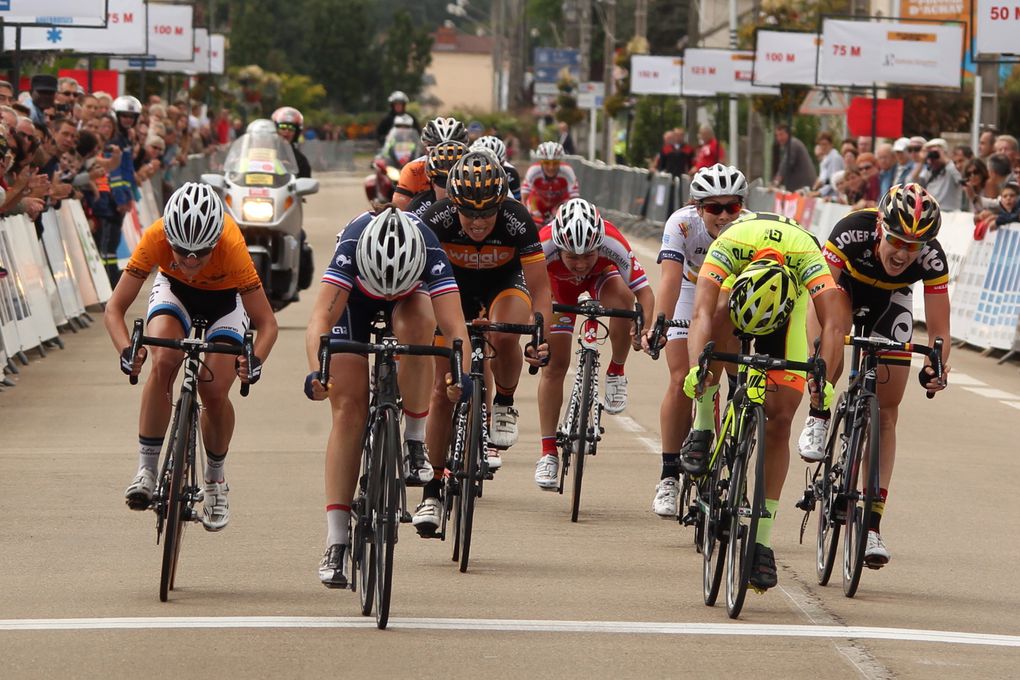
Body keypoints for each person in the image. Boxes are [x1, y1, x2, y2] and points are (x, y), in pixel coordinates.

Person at [303, 207, 469, 587]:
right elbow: (320, 322)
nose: (388, 290)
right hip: (355, 306)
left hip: (413, 301)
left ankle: (413, 438)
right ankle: (337, 541)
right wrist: (318, 372)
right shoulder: (351, 245)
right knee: (348, 409)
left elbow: (456, 328)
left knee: (419, 327)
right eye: (383, 284)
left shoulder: (428, 249)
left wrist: (460, 377)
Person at [681, 211, 847, 591]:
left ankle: (762, 542)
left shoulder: (807, 255)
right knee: (717, 323)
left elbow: (834, 325)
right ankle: (704, 425)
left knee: (781, 420)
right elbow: (701, 312)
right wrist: (699, 371)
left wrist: (822, 382)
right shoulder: (729, 243)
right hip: (735, 294)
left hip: (786, 304)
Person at [105, 183, 279, 531]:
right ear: (169, 237)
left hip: (225, 302)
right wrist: (127, 349)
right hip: (175, 291)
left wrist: (254, 361)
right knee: (164, 360)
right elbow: (114, 309)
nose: (190, 260)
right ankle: (146, 470)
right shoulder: (155, 236)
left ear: (215, 241)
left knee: (213, 390)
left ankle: (215, 480)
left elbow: (267, 325)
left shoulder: (232, 247)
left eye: (200, 252)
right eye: (182, 250)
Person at [797, 184, 950, 566]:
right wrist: (820, 362)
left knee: (887, 411)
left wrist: (936, 365)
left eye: (913, 246)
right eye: (897, 240)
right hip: (842, 290)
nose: (902, 253)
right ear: (881, 228)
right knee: (831, 343)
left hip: (892, 300)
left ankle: (871, 528)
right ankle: (818, 414)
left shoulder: (931, 258)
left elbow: (940, 330)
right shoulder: (851, 231)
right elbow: (820, 305)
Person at [414, 152, 552, 534]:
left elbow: (541, 289)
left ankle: (504, 402)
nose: (477, 223)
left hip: (503, 284)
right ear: (452, 203)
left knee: (506, 330)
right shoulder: (436, 218)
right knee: (444, 392)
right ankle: (433, 488)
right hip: (450, 289)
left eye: (486, 214)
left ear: (500, 205)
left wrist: (540, 336)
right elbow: (418, 285)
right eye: (468, 214)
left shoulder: (516, 219)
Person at [641, 164, 748, 517]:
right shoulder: (682, 224)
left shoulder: (748, 227)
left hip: (733, 290)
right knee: (679, 378)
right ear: (697, 206)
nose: (723, 215)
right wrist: (659, 322)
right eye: (713, 208)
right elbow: (670, 280)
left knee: (741, 375)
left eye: (731, 207)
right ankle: (669, 476)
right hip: (690, 287)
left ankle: (735, 461)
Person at [534, 198, 654, 489]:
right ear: (558, 246)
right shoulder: (542, 246)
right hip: (556, 287)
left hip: (601, 279)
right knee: (555, 365)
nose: (579, 263)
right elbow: (529, 295)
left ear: (599, 243)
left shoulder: (613, 240)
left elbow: (645, 294)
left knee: (623, 300)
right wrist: (536, 339)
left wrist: (646, 329)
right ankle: (548, 453)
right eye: (571, 256)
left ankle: (616, 371)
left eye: (588, 254)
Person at [393, 116, 467, 210]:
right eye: (435, 150)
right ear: (425, 150)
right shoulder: (413, 170)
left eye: (451, 151)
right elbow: (399, 209)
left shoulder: (474, 168)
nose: (444, 157)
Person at [520, 141, 580, 226]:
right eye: (546, 163)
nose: (551, 167)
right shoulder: (533, 171)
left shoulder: (567, 171)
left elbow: (574, 200)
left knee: (563, 219)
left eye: (555, 163)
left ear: (560, 161)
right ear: (541, 162)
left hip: (559, 203)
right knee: (533, 221)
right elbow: (524, 198)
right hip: (538, 202)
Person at [406, 139, 467, 218]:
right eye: (443, 182)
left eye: (457, 183)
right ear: (432, 183)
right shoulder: (418, 207)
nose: (450, 191)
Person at [471, 135, 522, 200]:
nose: (487, 170)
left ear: (502, 162)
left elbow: (516, 201)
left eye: (495, 166)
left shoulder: (511, 173)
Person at [918, 139, 962, 211]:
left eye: (935, 154)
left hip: (951, 215)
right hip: (933, 213)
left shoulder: (951, 168)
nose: (933, 159)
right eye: (930, 154)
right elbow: (917, 183)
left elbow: (960, 179)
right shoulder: (929, 170)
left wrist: (944, 159)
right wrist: (922, 161)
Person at [771, 123, 817, 191]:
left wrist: (776, 182)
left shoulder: (792, 144)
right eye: (777, 135)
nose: (779, 138)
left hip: (803, 186)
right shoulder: (792, 144)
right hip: (803, 185)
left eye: (781, 134)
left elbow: (786, 164)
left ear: (788, 134)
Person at [272, 106, 311, 179]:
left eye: (291, 128)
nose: (286, 131)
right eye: (282, 127)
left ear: (296, 133)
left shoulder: (300, 160)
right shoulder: (263, 152)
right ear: (275, 129)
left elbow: (305, 184)